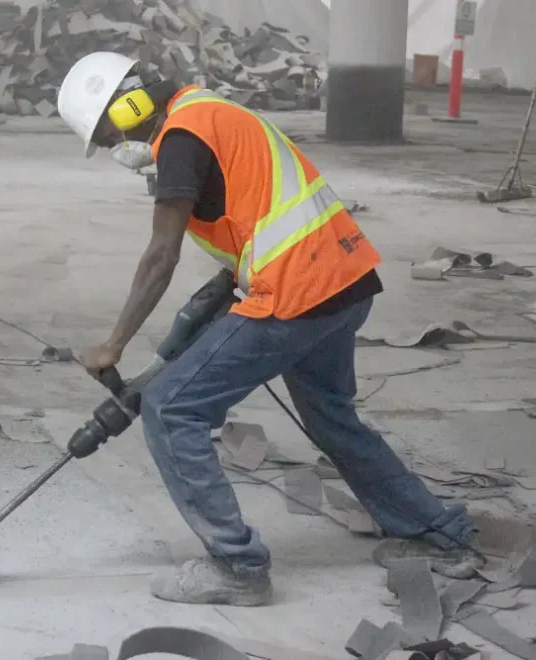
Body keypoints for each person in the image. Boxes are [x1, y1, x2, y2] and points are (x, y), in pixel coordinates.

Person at [56, 52, 478, 607]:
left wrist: (113, 345)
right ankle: (438, 534)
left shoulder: (182, 136)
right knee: (332, 416)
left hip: (296, 294)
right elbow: (250, 217)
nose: (116, 149)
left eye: (110, 134)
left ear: (132, 103)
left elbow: (162, 255)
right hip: (343, 281)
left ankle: (236, 566)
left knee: (170, 408)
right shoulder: (209, 111)